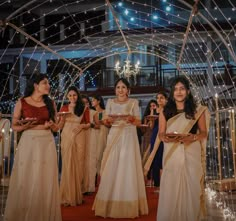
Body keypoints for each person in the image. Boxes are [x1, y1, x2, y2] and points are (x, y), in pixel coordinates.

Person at [4, 74, 62, 221]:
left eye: (48, 83)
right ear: (36, 85)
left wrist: (56, 124)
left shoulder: (51, 103)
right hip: (28, 142)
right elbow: (14, 126)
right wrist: (26, 125)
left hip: (47, 142)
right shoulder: (22, 102)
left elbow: (56, 128)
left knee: (45, 178)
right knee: (27, 176)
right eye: (45, 83)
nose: (48, 86)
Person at [92, 78, 148, 218]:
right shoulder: (110, 102)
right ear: (115, 89)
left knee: (126, 166)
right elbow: (105, 121)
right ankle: (109, 202)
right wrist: (108, 120)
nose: (120, 90)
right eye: (118, 87)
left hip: (128, 135)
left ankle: (127, 200)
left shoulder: (133, 102)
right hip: (114, 134)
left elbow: (139, 121)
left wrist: (130, 119)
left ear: (128, 90)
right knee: (112, 165)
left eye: (123, 87)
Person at [156, 76, 210, 221]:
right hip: (171, 153)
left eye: (182, 89)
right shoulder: (165, 112)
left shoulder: (197, 111)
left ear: (188, 91)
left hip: (191, 151)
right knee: (171, 188)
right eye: (175, 89)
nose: (179, 92)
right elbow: (161, 133)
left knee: (192, 188)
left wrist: (192, 138)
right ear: (172, 93)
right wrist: (165, 137)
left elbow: (204, 133)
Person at [59, 86, 90, 206]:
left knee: (78, 164)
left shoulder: (83, 108)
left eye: (74, 95)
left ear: (78, 96)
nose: (72, 97)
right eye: (70, 95)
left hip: (79, 135)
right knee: (67, 164)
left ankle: (77, 195)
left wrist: (82, 126)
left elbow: (88, 124)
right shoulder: (64, 108)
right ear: (67, 96)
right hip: (66, 135)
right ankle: (67, 195)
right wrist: (60, 119)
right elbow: (60, 126)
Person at [146, 92, 167, 189]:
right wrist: (152, 117)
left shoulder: (168, 110)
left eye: (161, 98)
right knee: (154, 157)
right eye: (158, 98)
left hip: (165, 134)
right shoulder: (154, 110)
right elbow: (151, 127)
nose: (159, 100)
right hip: (155, 134)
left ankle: (165, 183)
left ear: (166, 99)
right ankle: (156, 183)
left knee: (163, 156)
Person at [91, 95, 109, 176]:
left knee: (100, 154)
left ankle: (101, 174)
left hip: (102, 133)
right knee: (94, 156)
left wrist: (103, 122)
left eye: (93, 100)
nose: (92, 102)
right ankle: (96, 175)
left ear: (98, 101)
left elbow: (107, 124)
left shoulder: (104, 112)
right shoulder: (92, 112)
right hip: (94, 133)